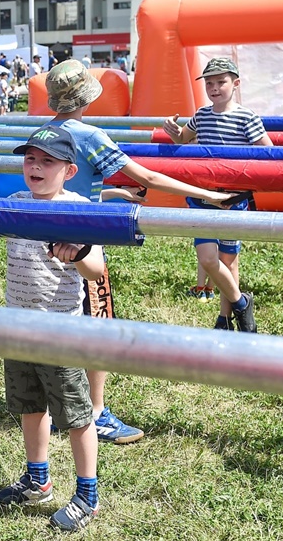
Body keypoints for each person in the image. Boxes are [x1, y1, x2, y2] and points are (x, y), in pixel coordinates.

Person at [46, 60, 234, 441]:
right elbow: (147, 176)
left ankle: (55, 407)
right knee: (98, 323)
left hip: (44, 237)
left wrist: (114, 194)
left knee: (55, 321)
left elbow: (65, 185)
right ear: (86, 96)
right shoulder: (88, 135)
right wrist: (208, 194)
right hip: (82, 239)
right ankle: (96, 414)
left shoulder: (43, 133)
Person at [0, 126, 103, 533]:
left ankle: (88, 495)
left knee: (76, 416)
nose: (36, 166)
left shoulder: (78, 208)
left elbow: (96, 269)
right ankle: (38, 479)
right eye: (30, 159)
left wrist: (77, 252)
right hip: (16, 325)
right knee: (30, 406)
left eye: (47, 160)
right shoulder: (14, 203)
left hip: (59, 331)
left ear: (69, 169)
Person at [163, 57, 272, 332]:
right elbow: (183, 139)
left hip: (233, 200)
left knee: (228, 261)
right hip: (203, 196)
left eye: (220, 82)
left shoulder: (247, 117)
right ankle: (241, 302)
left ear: (235, 83)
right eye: (209, 83)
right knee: (208, 259)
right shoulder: (201, 114)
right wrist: (174, 132)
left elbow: (268, 152)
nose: (214, 88)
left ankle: (224, 319)